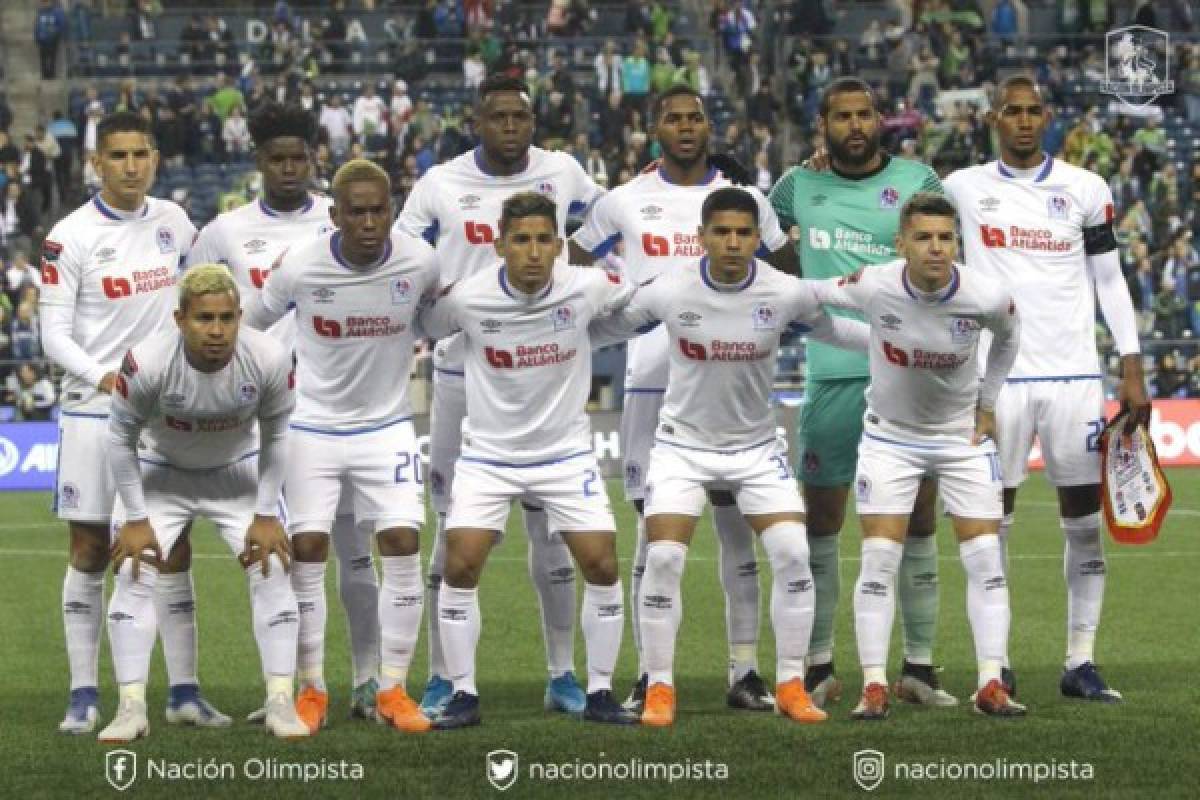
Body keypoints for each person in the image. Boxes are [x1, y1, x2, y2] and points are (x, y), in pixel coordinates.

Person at [589, 187, 868, 726]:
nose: (734, 242)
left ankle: (790, 684)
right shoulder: (670, 290)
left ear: (755, 240)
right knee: (665, 556)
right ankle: (660, 689)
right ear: (702, 238)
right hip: (681, 447)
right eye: (722, 232)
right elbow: (605, 328)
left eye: (744, 232)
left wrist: (901, 344)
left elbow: (839, 329)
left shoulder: (783, 292)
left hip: (757, 449)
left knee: (791, 551)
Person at [570, 84, 797, 714]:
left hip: (732, 380)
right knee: (653, 535)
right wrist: (611, 298)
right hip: (651, 375)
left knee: (736, 531)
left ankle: (744, 670)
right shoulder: (623, 200)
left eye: (696, 116)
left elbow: (789, 271)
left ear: (708, 123)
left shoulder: (746, 198)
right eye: (673, 118)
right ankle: (651, 674)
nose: (686, 126)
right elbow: (573, 259)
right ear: (653, 127)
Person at [392, 74, 606, 718]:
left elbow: (607, 223)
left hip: (546, 369)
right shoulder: (440, 183)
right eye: (498, 117)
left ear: (533, 121)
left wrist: (577, 284)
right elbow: (405, 255)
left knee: (552, 534)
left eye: (521, 116)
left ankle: (564, 675)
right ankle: (443, 678)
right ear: (477, 123)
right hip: (463, 374)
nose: (511, 126)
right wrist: (441, 304)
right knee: (450, 534)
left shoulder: (563, 171)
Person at [943, 76, 1150, 702]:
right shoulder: (961, 188)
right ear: (993, 119)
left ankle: (1080, 661)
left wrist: (1132, 363)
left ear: (1049, 116)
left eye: (1035, 111)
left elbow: (1109, 282)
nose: (1026, 122)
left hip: (1074, 379)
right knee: (991, 526)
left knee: (1083, 525)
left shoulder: (1086, 189)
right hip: (995, 381)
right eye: (1014, 112)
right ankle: (994, 664)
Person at [188, 103, 384, 720]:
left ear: (313, 157)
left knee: (356, 553)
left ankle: (369, 680)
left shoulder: (339, 221)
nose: (290, 168)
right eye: (278, 159)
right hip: (266, 419)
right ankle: (304, 685)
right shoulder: (223, 233)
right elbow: (202, 312)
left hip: (342, 406)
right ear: (259, 162)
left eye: (299, 156)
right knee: (290, 555)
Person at [418, 191, 638, 730]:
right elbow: (425, 323)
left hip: (565, 454)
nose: (534, 252)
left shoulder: (587, 286)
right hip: (489, 455)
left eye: (544, 240)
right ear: (499, 245)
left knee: (603, 564)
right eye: (521, 240)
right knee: (460, 563)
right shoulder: (467, 299)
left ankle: (602, 691)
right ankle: (464, 693)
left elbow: (630, 293)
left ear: (560, 246)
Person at [39, 111, 227, 735]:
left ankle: (184, 693)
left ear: (154, 157)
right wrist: (107, 379)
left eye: (140, 154)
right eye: (116, 156)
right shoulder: (70, 236)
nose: (130, 166)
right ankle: (83, 694)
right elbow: (53, 334)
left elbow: (206, 299)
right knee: (91, 548)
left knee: (171, 550)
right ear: (98, 164)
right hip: (95, 413)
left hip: (163, 417)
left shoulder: (175, 222)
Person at [768, 77, 952, 708]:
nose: (854, 125)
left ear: (880, 120)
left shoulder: (920, 179)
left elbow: (951, 261)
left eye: (863, 115)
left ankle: (919, 668)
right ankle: (819, 664)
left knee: (919, 519)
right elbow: (764, 247)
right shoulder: (795, 187)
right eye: (841, 116)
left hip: (908, 376)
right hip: (830, 377)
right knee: (822, 519)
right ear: (823, 124)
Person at [808, 193, 1025, 719]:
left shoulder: (987, 295)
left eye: (946, 238)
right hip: (890, 439)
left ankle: (991, 683)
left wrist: (989, 402)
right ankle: (875, 685)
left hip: (961, 440)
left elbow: (1010, 337)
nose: (936, 248)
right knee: (880, 557)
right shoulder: (874, 284)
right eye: (924, 238)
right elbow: (811, 298)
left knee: (985, 561)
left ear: (957, 243)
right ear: (901, 243)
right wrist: (860, 337)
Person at [245, 159, 439, 735]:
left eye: (379, 208)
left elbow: (442, 314)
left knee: (402, 543)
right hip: (313, 429)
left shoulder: (420, 260)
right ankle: (313, 690)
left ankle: (392, 689)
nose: (370, 221)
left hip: (388, 427)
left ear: (392, 208)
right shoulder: (301, 266)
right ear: (334, 215)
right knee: (306, 550)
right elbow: (251, 327)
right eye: (356, 211)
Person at [97, 263, 309, 742]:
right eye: (204, 319)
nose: (217, 331)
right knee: (134, 569)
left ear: (240, 316)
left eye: (227, 318)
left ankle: (280, 699)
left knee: (273, 566)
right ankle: (131, 707)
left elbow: (278, 434)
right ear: (179, 320)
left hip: (238, 473)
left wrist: (266, 511)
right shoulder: (147, 361)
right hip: (161, 474)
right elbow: (118, 438)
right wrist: (134, 518)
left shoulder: (270, 356)